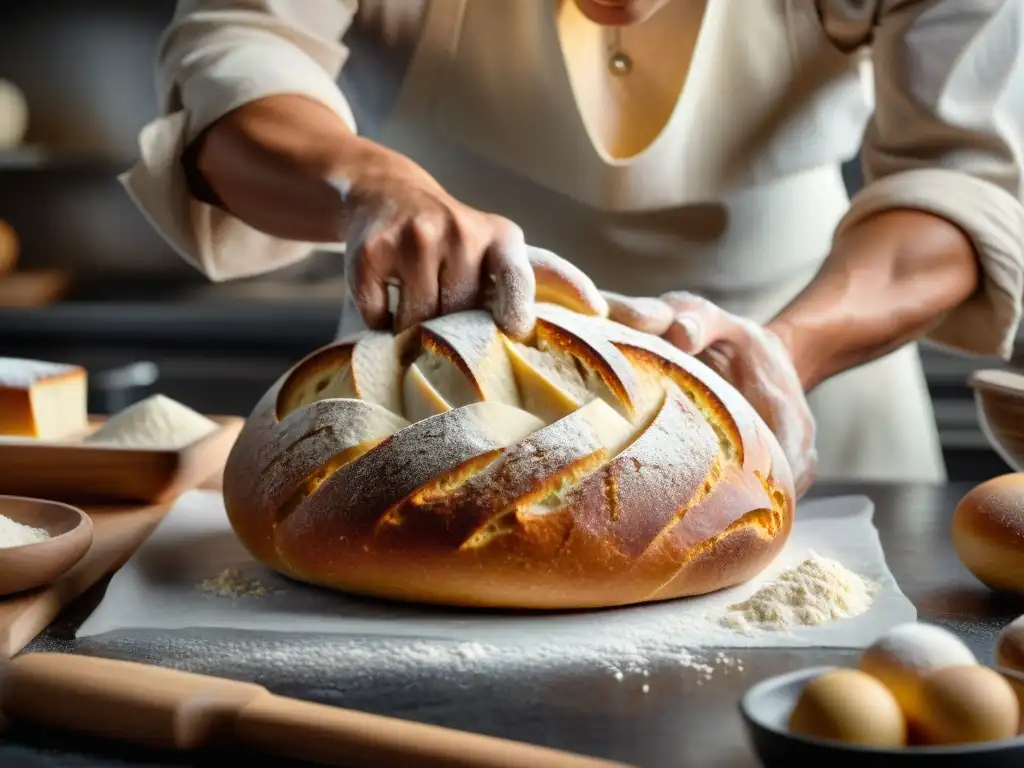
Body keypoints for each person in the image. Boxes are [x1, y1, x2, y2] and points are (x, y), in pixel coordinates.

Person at [122, 0, 1024, 495]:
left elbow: (967, 174)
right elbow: (232, 50)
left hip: (804, 379)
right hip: (433, 386)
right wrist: (373, 188)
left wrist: (787, 353)